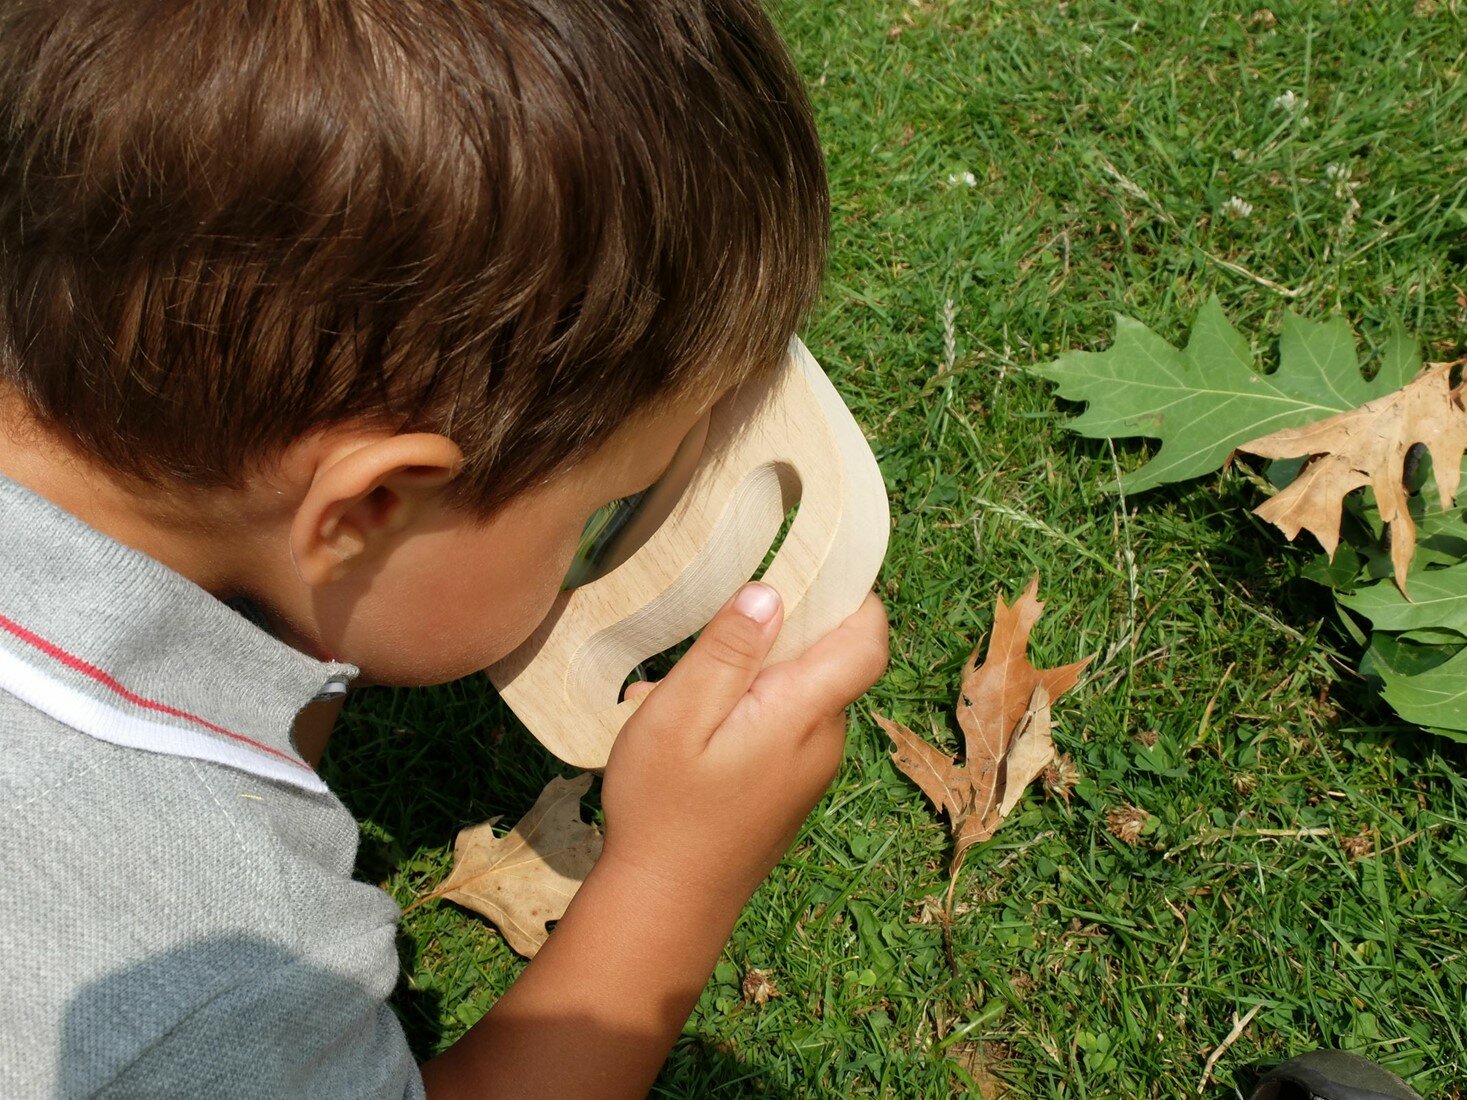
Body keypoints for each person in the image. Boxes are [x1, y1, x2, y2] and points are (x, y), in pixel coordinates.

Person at [0, 1, 889, 1096]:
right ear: (370, 512)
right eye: (603, 515)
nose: (601, 546)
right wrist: (675, 872)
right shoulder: (214, 932)